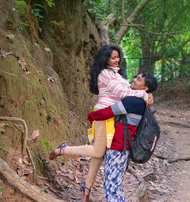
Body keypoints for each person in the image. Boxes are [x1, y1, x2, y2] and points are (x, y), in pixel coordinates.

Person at [49, 44, 152, 201]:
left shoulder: (118, 75)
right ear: (106, 59)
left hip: (113, 118)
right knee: (98, 152)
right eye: (113, 58)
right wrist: (144, 95)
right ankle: (64, 149)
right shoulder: (104, 73)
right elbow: (121, 92)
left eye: (118, 57)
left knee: (100, 153)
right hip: (103, 115)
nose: (117, 60)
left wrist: (147, 94)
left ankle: (87, 187)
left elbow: (130, 89)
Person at [87, 70, 158, 202]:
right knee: (115, 184)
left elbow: (109, 112)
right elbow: (121, 84)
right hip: (123, 147)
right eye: (135, 77)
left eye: (138, 80)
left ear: (145, 87)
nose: (134, 80)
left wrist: (92, 116)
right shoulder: (139, 100)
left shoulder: (133, 101)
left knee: (111, 186)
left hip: (118, 147)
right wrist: (149, 94)